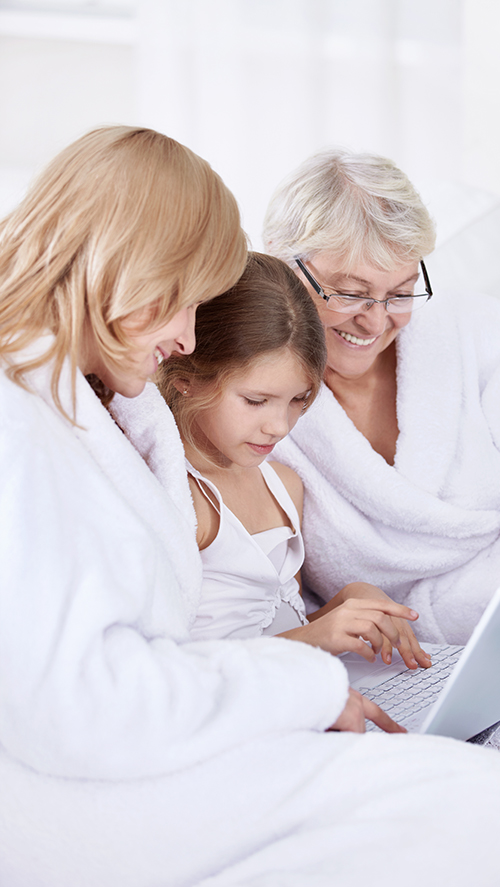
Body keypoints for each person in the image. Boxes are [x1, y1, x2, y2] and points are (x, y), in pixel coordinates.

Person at [0, 127, 500, 887]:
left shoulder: (93, 399)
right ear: (127, 266)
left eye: (397, 291)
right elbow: (88, 702)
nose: (185, 338)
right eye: (181, 304)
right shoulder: (30, 423)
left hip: (196, 714)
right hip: (92, 785)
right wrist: (302, 684)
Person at [264, 148, 500, 771]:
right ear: (285, 265)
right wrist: (336, 609)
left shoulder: (489, 335)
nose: (377, 320)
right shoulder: (256, 403)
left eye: (401, 292)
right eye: (352, 293)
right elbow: (272, 584)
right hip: (407, 661)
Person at [158, 251, 431, 670]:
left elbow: (280, 627)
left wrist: (348, 602)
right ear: (186, 382)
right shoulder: (178, 498)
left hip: (300, 692)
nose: (279, 426)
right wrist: (316, 636)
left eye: (299, 400)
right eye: (256, 401)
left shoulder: (284, 486)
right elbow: (169, 669)